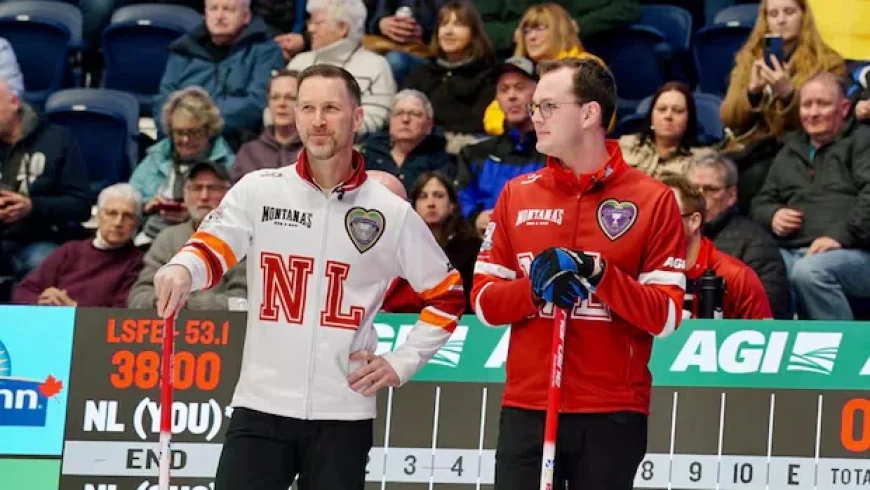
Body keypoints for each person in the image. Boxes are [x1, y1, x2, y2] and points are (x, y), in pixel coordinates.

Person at [152, 64, 466, 490]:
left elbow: (447, 295)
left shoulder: (389, 211)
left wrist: (402, 362)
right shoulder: (259, 189)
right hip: (260, 406)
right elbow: (211, 247)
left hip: (344, 414)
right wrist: (180, 268)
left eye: (331, 108)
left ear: (357, 118)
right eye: (307, 108)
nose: (318, 120)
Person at [471, 57, 686, 490]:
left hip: (612, 411)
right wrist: (534, 290)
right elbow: (483, 304)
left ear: (589, 113)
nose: (535, 117)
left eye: (548, 106)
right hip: (527, 406)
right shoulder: (517, 194)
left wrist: (601, 274)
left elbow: (664, 316)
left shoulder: (653, 199)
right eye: (534, 107)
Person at [750, 71, 870, 320]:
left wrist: (841, 235)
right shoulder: (790, 149)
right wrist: (773, 215)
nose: (813, 113)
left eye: (823, 104)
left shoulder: (862, 141)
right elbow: (761, 201)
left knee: (810, 272)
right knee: (752, 270)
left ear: (845, 107)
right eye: (807, 105)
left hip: (856, 252)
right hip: (793, 251)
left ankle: (843, 352)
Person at [128, 161, 247, 310]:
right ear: (185, 194)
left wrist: (183, 303)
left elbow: (243, 301)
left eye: (213, 188)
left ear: (229, 194)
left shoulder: (240, 239)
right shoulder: (167, 238)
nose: (204, 196)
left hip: (225, 330)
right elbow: (138, 298)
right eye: (197, 188)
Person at [685, 152, 791, 318]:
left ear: (731, 195)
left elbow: (770, 310)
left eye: (710, 189)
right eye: (693, 190)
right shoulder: (672, 237)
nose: (700, 197)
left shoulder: (756, 242)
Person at [12, 183, 144, 307]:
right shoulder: (70, 251)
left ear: (137, 223)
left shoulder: (137, 263)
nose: (118, 222)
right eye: (111, 213)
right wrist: (42, 301)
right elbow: (23, 291)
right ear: (98, 216)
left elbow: (120, 316)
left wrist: (75, 311)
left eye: (128, 216)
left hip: (89, 329)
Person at [662, 174, 772, 319]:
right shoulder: (638, 272)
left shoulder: (737, 277)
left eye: (666, 216)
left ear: (694, 222)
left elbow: (765, 338)